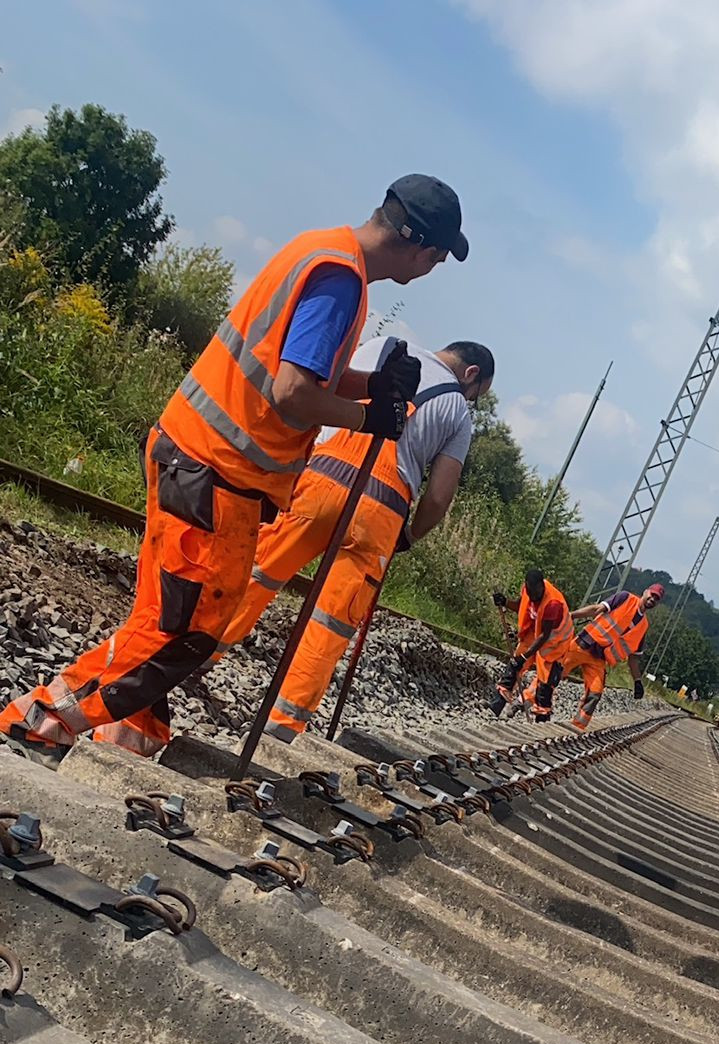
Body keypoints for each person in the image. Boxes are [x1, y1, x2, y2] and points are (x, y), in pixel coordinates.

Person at [0, 175, 468, 763]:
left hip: (197, 456)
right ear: (420, 248)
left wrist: (370, 385)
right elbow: (293, 391)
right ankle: (39, 721)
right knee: (185, 630)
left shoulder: (322, 252)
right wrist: (365, 415)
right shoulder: (342, 281)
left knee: (166, 614)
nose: (435, 267)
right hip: (214, 472)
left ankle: (129, 737)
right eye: (439, 256)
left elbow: (298, 368)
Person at [214, 337, 493, 741]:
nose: (472, 401)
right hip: (380, 513)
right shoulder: (458, 414)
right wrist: (411, 535)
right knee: (331, 622)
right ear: (470, 375)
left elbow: (316, 387)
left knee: (258, 571)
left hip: (320, 479)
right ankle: (281, 727)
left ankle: (198, 650)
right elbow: (438, 497)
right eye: (477, 395)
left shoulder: (381, 346)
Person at [555, 584, 664, 731]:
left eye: (656, 599)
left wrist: (637, 681)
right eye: (652, 594)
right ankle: (526, 702)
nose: (652, 599)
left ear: (657, 603)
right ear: (645, 592)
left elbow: (634, 658)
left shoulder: (643, 626)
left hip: (599, 658)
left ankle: (575, 729)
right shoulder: (625, 598)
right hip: (585, 644)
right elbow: (596, 609)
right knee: (554, 674)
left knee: (595, 694)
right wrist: (570, 616)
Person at [489, 569, 573, 721]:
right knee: (513, 667)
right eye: (530, 592)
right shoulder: (528, 590)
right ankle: (495, 707)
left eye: (535, 594)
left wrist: (525, 656)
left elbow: (544, 636)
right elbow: (522, 606)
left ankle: (542, 720)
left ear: (542, 586)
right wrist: (505, 602)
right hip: (534, 632)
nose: (532, 597)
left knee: (544, 683)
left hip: (556, 641)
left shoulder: (553, 603)